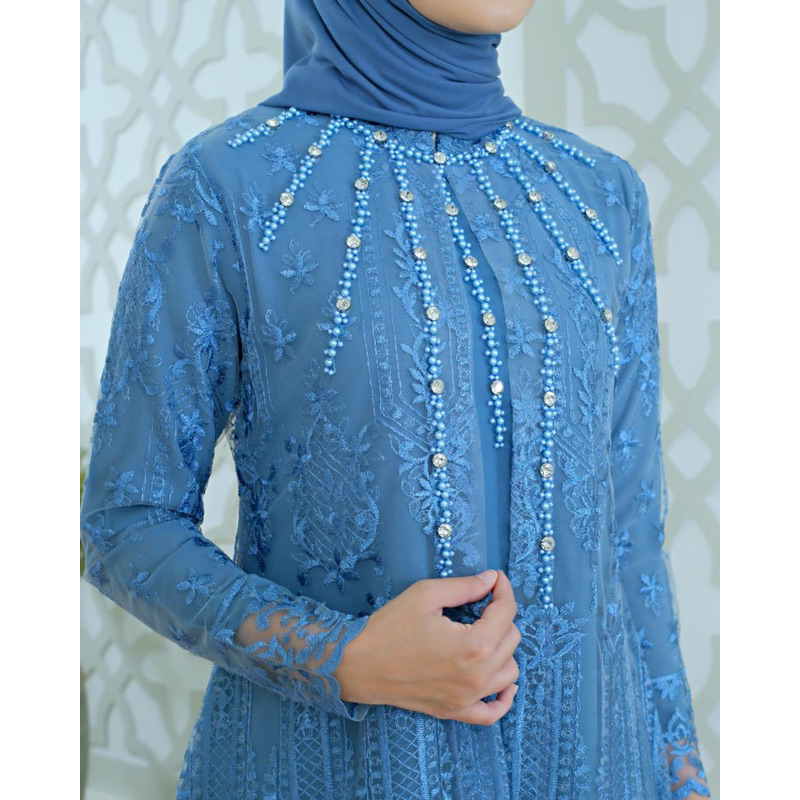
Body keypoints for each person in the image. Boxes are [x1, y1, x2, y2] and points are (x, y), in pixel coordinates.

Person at [79, 0, 711, 797]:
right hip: (326, 771)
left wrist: (685, 777)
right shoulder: (226, 187)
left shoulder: (603, 194)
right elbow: (126, 524)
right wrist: (341, 657)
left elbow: (631, 540)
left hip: (600, 768)